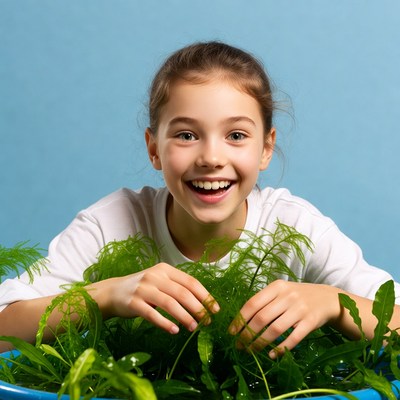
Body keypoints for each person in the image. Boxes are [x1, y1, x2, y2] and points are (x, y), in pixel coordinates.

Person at [0, 41, 399, 358]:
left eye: (236, 135)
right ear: (154, 149)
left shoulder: (296, 226)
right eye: (186, 135)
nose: (210, 157)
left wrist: (333, 302)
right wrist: (107, 295)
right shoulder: (113, 222)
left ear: (266, 148)